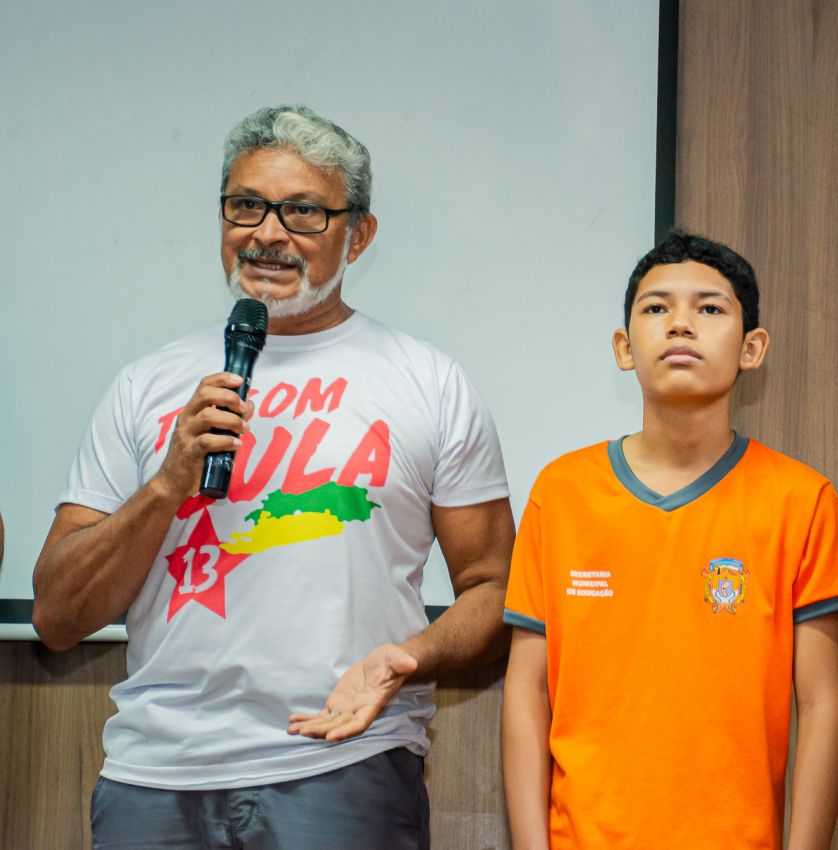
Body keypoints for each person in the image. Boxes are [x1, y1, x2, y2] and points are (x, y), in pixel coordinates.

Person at [32, 104, 515, 850]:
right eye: (247, 205)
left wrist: (410, 657)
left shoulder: (429, 381)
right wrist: (166, 485)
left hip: (344, 763)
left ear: (359, 234)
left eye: (303, 212)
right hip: (154, 777)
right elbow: (58, 615)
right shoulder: (145, 384)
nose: (268, 232)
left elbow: (495, 587)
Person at [501, 231, 838, 850]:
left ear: (752, 348)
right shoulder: (561, 492)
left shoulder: (801, 500)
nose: (681, 324)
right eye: (656, 307)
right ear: (624, 347)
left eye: (710, 308)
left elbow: (824, 705)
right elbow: (526, 690)